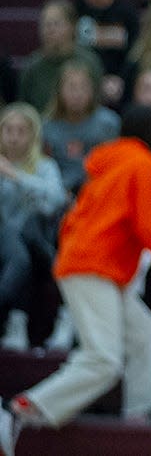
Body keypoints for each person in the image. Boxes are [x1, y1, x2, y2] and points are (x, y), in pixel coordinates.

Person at [0, 105, 151, 454]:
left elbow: (74, 218)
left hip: (96, 266)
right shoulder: (142, 165)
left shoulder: (110, 163)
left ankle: (150, 417)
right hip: (93, 268)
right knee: (103, 360)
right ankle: (17, 409)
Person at [0, 103, 66, 354]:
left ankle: (17, 321)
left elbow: (54, 201)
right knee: (16, 244)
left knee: (25, 238)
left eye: (21, 131)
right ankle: (61, 313)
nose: (14, 137)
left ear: (32, 135)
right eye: (9, 130)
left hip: (35, 241)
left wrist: (15, 176)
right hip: (3, 239)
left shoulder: (45, 167)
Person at [73, 0, 140, 105]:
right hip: (80, 86)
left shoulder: (127, 13)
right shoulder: (73, 11)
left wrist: (120, 79)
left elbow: (135, 54)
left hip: (120, 89)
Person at [40, 62, 120, 194]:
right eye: (72, 88)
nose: (77, 94)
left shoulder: (109, 123)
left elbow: (115, 166)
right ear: (59, 91)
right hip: (59, 192)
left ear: (92, 91)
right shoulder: (47, 127)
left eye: (83, 87)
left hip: (100, 191)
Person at [17, 0, 103, 115]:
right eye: (46, 24)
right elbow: (24, 109)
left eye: (56, 24)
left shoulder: (89, 61)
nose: (50, 30)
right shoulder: (32, 66)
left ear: (72, 26)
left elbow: (98, 103)